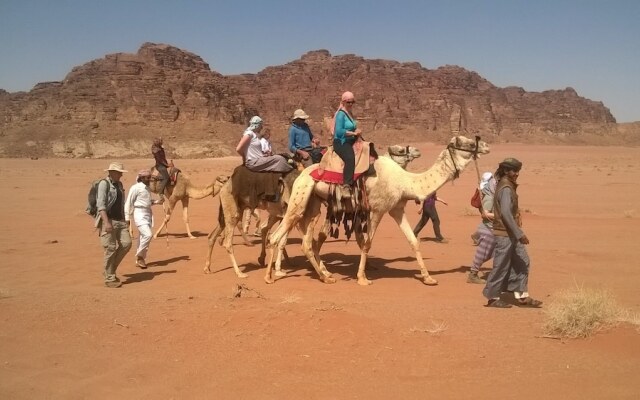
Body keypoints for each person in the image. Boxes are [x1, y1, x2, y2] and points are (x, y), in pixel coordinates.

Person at [483, 158, 543, 308]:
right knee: (501, 265)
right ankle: (492, 297)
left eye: (518, 171)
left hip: (510, 233)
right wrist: (519, 234)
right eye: (514, 171)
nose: (516, 174)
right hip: (504, 234)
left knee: (523, 261)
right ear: (506, 171)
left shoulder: (508, 186)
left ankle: (521, 295)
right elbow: (505, 213)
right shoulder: (506, 188)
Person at [95, 162, 132, 288]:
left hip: (119, 221)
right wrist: (106, 222)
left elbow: (120, 204)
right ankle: (109, 277)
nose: (121, 175)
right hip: (108, 220)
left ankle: (109, 270)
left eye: (121, 172)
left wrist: (124, 219)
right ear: (111, 172)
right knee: (110, 248)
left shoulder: (120, 185)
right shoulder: (103, 184)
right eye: (118, 172)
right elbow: (101, 205)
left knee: (127, 243)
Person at [125, 169, 162, 270]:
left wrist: (158, 202)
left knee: (142, 237)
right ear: (141, 178)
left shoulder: (147, 188)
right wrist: (127, 218)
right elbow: (128, 203)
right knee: (148, 235)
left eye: (150, 177)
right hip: (139, 213)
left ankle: (139, 260)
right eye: (147, 177)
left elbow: (147, 202)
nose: (149, 179)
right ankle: (140, 256)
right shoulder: (135, 188)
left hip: (148, 213)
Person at [468, 172, 497, 284]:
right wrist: (501, 216)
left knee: (493, 254)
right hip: (488, 230)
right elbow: (484, 214)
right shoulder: (489, 198)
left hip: (492, 230)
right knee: (482, 254)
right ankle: (473, 275)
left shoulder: (491, 196)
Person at [332, 92, 362, 189]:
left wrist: (356, 131)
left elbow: (352, 127)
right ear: (343, 102)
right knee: (350, 158)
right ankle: (347, 184)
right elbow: (339, 131)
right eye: (349, 102)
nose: (351, 104)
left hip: (351, 140)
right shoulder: (341, 114)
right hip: (341, 142)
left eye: (352, 102)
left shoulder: (350, 113)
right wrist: (353, 133)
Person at [152, 137, 170, 204]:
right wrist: (167, 165)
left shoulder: (160, 149)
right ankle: (160, 192)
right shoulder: (156, 150)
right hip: (160, 165)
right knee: (166, 178)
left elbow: (163, 158)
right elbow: (160, 159)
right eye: (160, 141)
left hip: (163, 165)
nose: (161, 142)